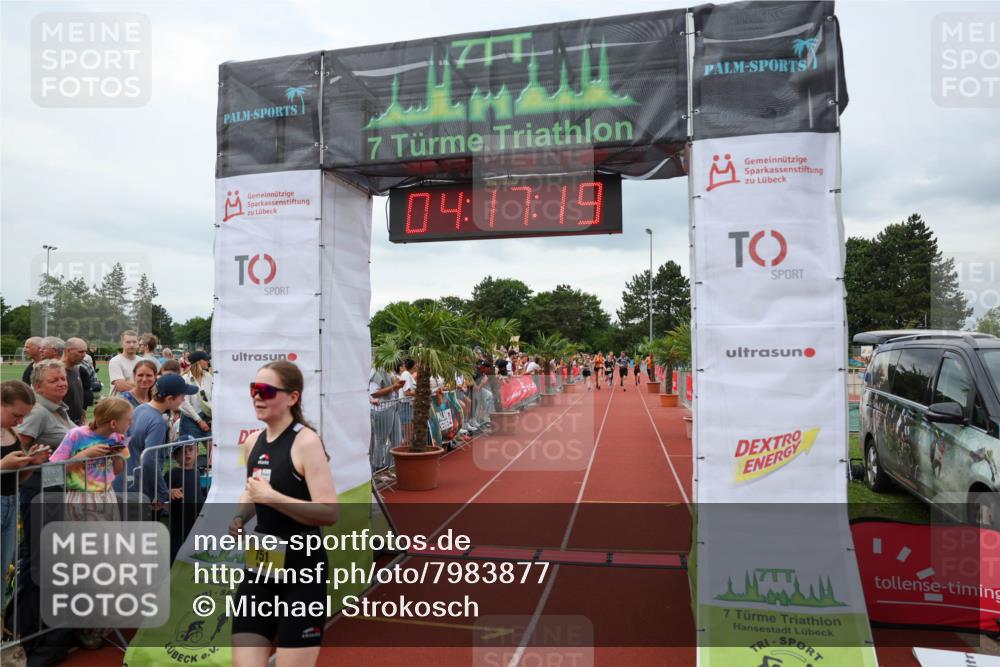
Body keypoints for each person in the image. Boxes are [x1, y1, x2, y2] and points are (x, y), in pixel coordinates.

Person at [229, 360, 338, 666]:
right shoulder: (252, 442)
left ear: (292, 397)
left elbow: (329, 512)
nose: (257, 397)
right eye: (254, 389)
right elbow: (252, 491)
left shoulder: (306, 442)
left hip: (303, 570)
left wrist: (273, 498)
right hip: (261, 565)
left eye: (266, 390)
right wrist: (240, 516)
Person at [115, 374, 198, 511]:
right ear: (169, 398)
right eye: (182, 396)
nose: (183, 400)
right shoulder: (158, 422)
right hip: (136, 488)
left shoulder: (140, 409)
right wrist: (161, 493)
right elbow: (149, 460)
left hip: (123, 480)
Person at [0, 382, 47, 619]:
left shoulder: (12, 433)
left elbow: (17, 479)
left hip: (10, 503)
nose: (20, 422)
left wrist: (31, 463)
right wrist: (3, 466)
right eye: (16, 415)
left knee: (3, 573)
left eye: (23, 417)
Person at [165, 437, 204, 561]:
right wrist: (169, 492)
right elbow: (160, 492)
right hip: (179, 520)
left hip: (196, 518)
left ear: (197, 452)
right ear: (175, 456)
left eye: (190, 449)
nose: (187, 453)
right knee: (176, 550)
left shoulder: (197, 472)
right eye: (182, 451)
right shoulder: (172, 473)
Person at [179, 351, 212, 440]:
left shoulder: (208, 377)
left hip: (206, 418)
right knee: (190, 451)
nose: (208, 362)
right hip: (189, 420)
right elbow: (184, 403)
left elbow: (212, 398)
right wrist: (199, 420)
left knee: (212, 449)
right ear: (198, 362)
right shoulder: (185, 379)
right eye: (205, 359)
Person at [62, 337, 88, 425]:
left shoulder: (76, 369)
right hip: (63, 423)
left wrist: (82, 411)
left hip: (76, 422)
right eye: (80, 352)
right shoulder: (57, 371)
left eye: (85, 352)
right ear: (67, 351)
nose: (84, 355)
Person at [109, 330, 141, 398]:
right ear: (122, 343)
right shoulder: (115, 361)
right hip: (119, 404)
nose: (131, 344)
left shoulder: (143, 361)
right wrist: (143, 388)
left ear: (138, 344)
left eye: (134, 342)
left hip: (138, 403)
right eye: (128, 342)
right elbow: (121, 386)